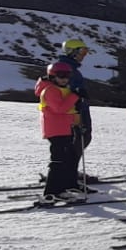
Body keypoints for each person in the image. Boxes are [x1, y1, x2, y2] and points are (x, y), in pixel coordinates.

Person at [34, 61, 83, 202]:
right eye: (60, 76)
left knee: (68, 158)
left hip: (64, 128)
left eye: (67, 76)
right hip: (56, 130)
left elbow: (68, 109)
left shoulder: (62, 89)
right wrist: (74, 97)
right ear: (52, 76)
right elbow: (59, 109)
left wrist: (77, 119)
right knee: (58, 160)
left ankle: (63, 187)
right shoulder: (50, 90)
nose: (64, 79)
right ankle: (51, 191)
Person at [55, 38, 94, 175]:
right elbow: (65, 90)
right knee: (80, 139)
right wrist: (78, 99)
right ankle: (68, 172)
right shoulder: (66, 69)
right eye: (81, 52)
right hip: (75, 111)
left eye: (85, 52)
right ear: (71, 52)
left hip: (78, 109)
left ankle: (69, 170)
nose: (83, 55)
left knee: (81, 139)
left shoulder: (71, 67)